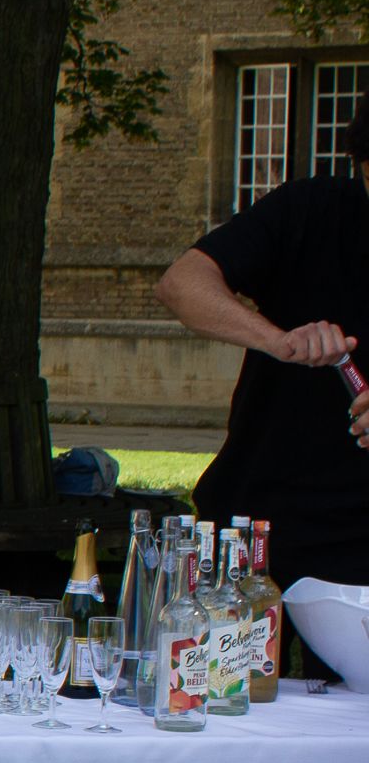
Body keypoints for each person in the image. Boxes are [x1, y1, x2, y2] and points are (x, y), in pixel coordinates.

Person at [153, 95, 369, 605]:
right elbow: (182, 283)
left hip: (361, 547)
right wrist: (277, 339)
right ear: (361, 168)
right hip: (256, 523)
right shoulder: (308, 210)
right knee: (222, 683)